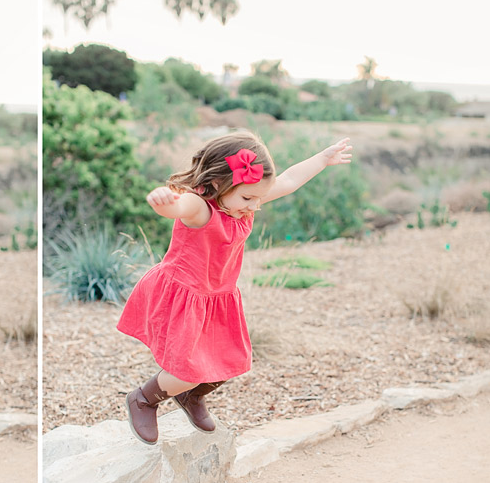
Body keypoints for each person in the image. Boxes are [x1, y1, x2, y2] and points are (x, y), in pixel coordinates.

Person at [117, 131, 352, 444]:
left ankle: (190, 396)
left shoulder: (242, 200)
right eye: (248, 198)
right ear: (217, 184)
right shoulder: (201, 209)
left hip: (218, 296)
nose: (255, 205)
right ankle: (143, 399)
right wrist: (164, 202)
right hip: (185, 294)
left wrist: (323, 159)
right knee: (185, 369)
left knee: (231, 360)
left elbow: (289, 179)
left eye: (258, 197)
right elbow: (180, 205)